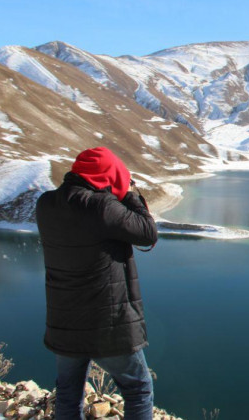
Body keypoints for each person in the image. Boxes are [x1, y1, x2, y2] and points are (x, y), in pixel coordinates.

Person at [36, 147, 158, 420]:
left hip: (64, 321)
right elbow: (148, 233)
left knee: (68, 392)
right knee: (138, 388)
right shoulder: (102, 207)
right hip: (108, 324)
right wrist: (128, 193)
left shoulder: (46, 203)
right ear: (108, 176)